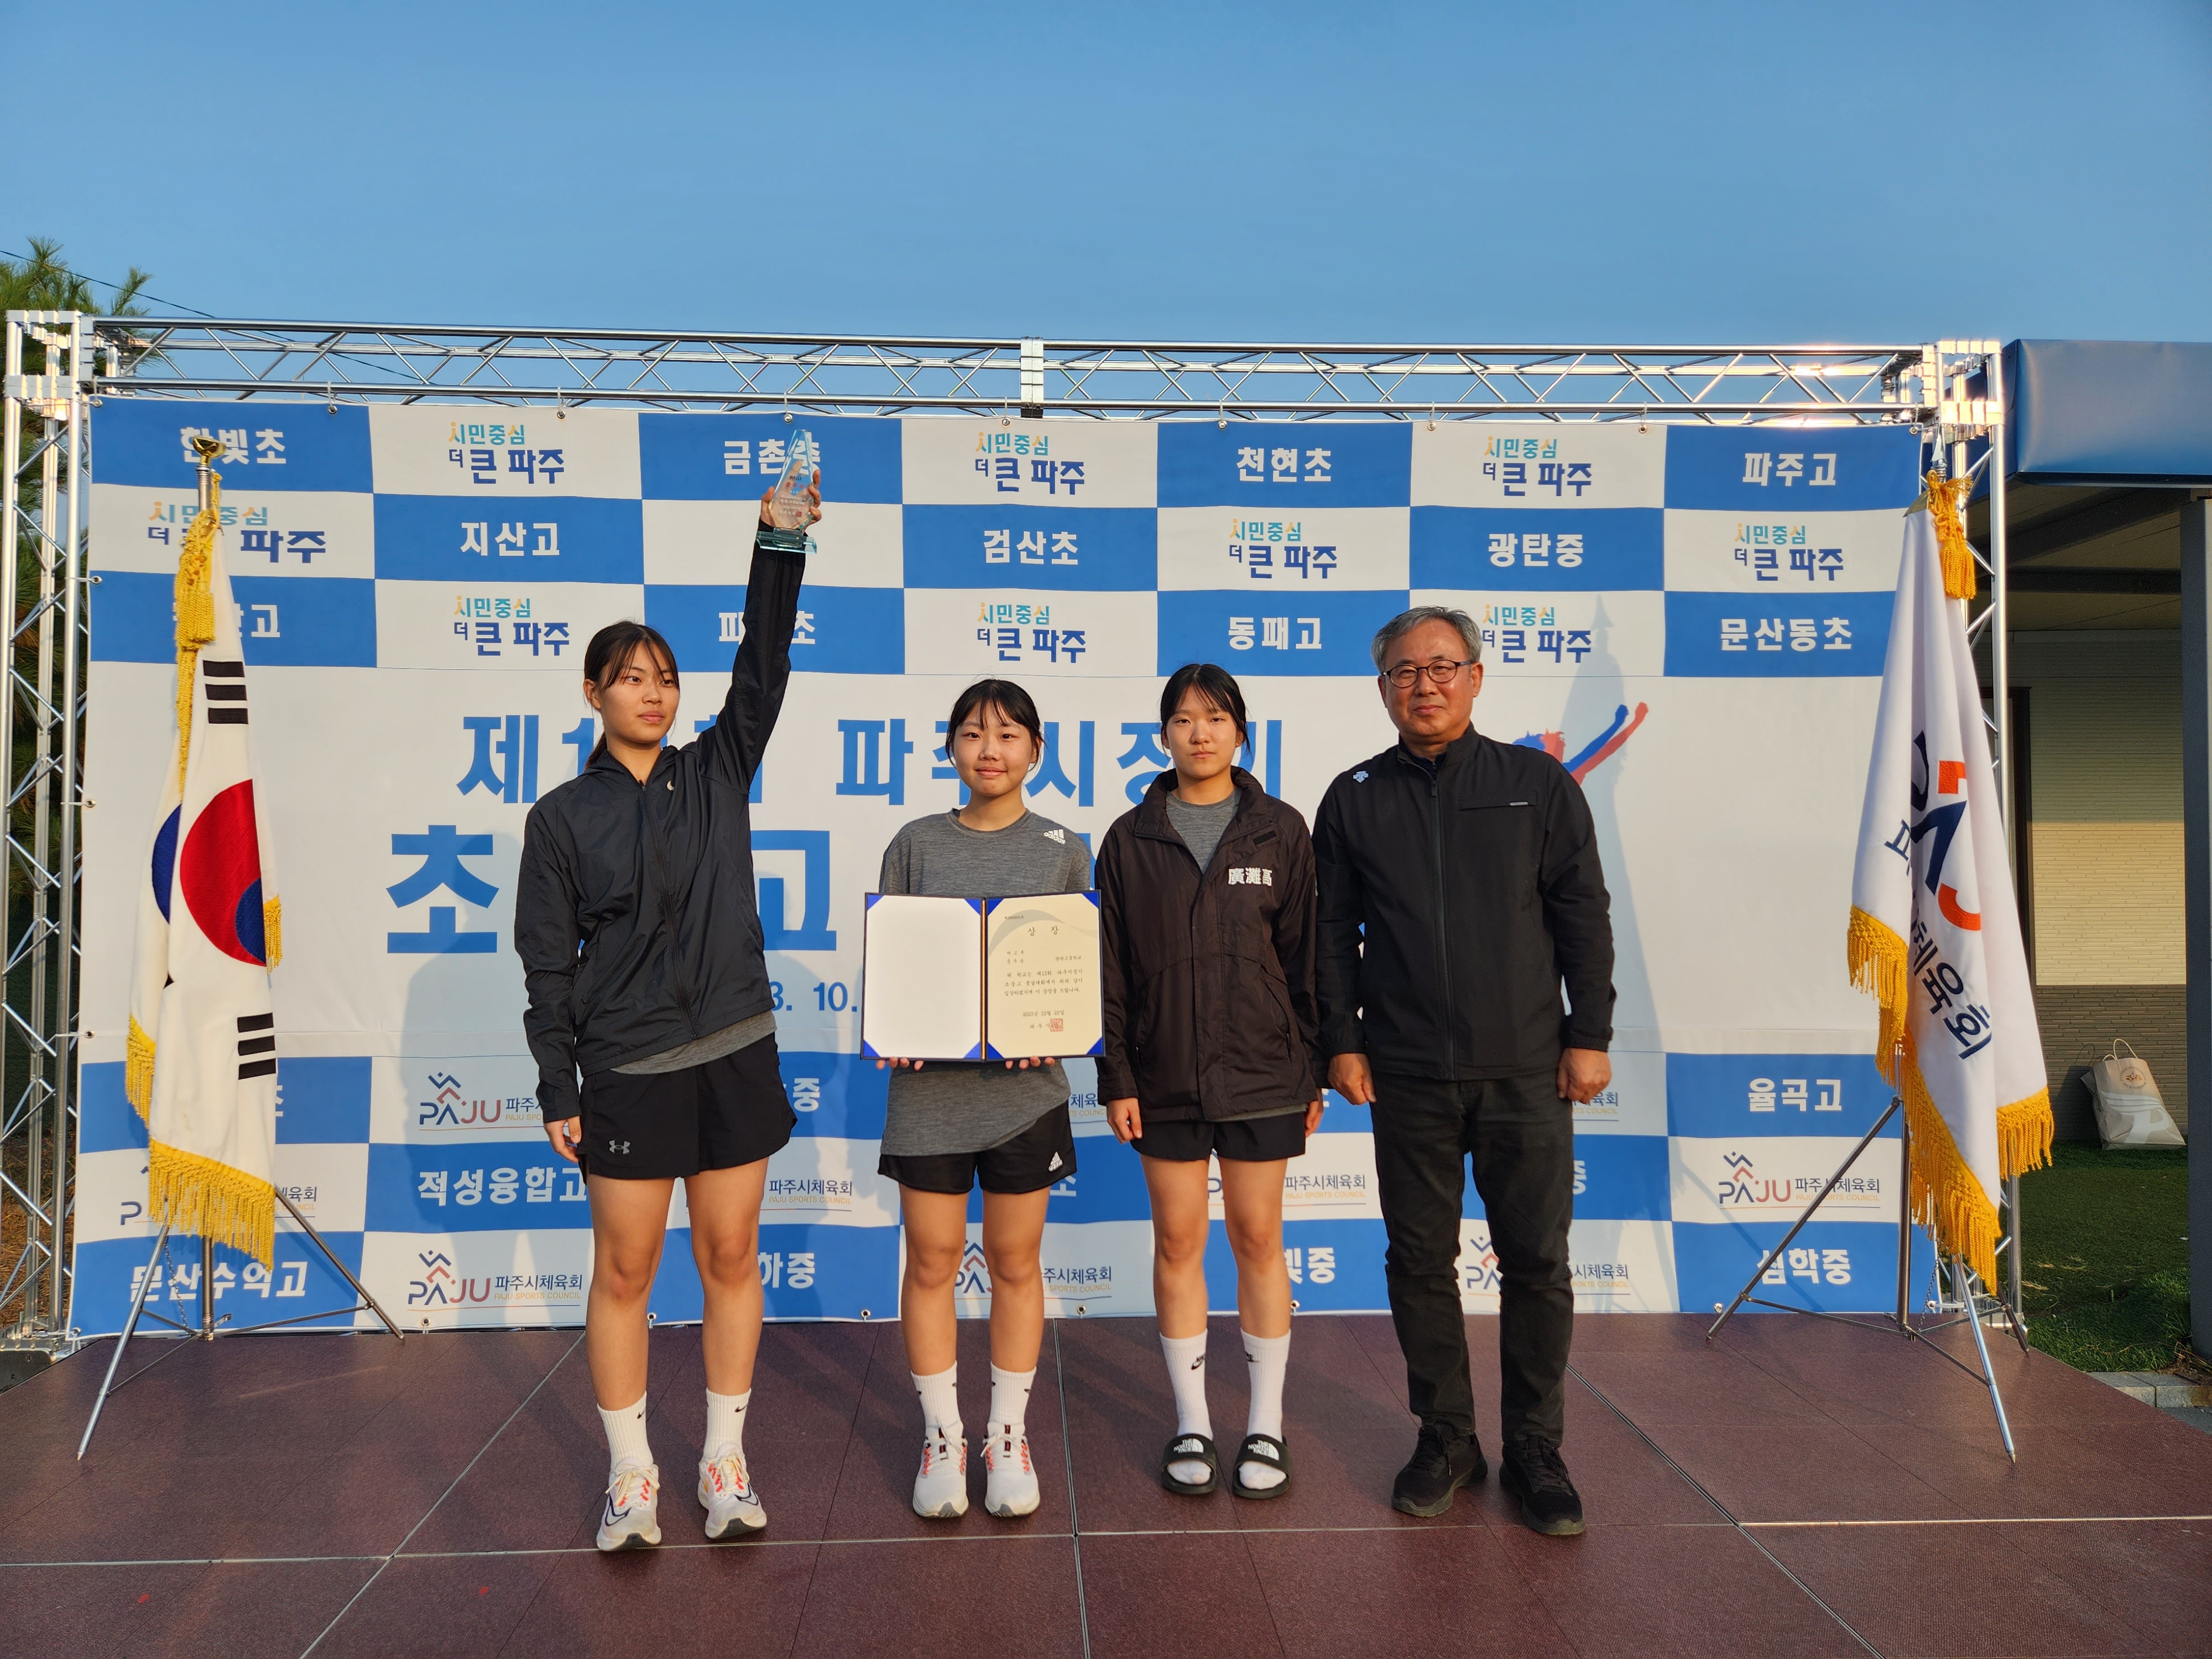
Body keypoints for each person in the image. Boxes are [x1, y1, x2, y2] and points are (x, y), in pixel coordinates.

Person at [515, 470, 821, 1552]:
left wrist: (778, 546)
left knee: (731, 1256)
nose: (653, 694)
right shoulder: (561, 819)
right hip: (628, 1068)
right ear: (592, 694)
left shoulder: (717, 769)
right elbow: (545, 966)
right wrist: (559, 1084)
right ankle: (632, 1474)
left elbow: (763, 668)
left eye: (665, 679)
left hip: (733, 1049)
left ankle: (723, 1460)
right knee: (626, 1271)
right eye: (631, 679)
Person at [1313, 605, 1614, 1537]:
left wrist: (1590, 1033)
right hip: (1405, 1071)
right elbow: (1330, 935)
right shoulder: (1354, 797)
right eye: (1405, 671)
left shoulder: (1535, 784)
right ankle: (1446, 1437)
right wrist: (1341, 1042)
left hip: (1527, 1067)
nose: (1426, 685)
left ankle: (1536, 1447)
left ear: (1476, 678)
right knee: (1418, 1260)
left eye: (1443, 666)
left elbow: (1582, 913)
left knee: (1537, 1262)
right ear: (1383, 689)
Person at [1097, 663, 1324, 1501]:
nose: (1200, 733)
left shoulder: (1279, 830)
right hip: (1162, 1074)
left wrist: (1311, 1069)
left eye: (1216, 717)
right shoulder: (1131, 838)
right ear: (1163, 735)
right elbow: (1110, 968)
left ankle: (1266, 1424)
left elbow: (1306, 959)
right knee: (1178, 1240)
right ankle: (1192, 1421)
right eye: (1184, 719)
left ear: (1241, 731)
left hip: (1264, 1071)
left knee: (1259, 1239)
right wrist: (1117, 1076)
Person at [873, 679, 1092, 1521]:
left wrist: (1057, 1026)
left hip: (1025, 1096)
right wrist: (894, 1023)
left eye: (1007, 735)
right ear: (950, 749)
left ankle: (1007, 1434)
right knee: (931, 1261)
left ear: (1037, 750)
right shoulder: (916, 843)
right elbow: (892, 956)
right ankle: (943, 1436)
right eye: (971, 733)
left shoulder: (1063, 848)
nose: (989, 750)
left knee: (1015, 1262)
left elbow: (1077, 970)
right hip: (929, 1094)